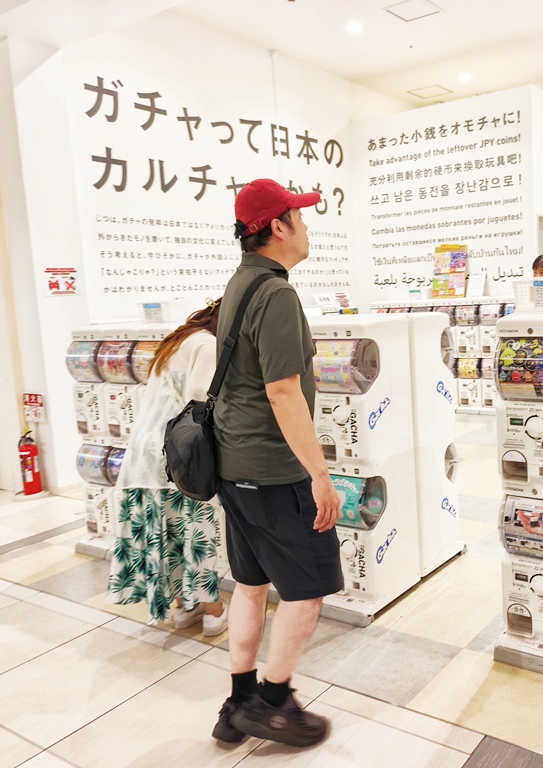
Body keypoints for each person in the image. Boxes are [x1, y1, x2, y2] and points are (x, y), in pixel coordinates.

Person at [211, 179, 343, 748]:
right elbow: (283, 391)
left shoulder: (240, 284)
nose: (307, 227)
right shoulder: (278, 294)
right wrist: (319, 474)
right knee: (306, 589)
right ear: (278, 228)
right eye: (301, 217)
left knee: (250, 584)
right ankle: (273, 702)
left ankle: (237, 701)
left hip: (233, 464)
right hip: (274, 469)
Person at [106, 302, 228, 637]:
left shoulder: (178, 340)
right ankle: (213, 609)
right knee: (195, 532)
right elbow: (200, 399)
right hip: (179, 452)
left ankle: (183, 606)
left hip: (146, 449)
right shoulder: (207, 345)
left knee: (169, 533)